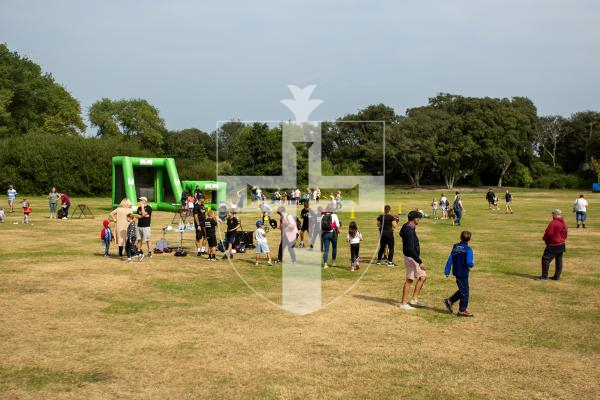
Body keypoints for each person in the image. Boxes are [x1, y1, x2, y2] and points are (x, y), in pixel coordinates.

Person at [443, 231, 475, 317]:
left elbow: (450, 259)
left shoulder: (455, 246)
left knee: (462, 290)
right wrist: (472, 264)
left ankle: (449, 301)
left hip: (456, 271)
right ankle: (462, 310)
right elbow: (469, 263)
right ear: (469, 239)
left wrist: (447, 270)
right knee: (465, 292)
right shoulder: (468, 249)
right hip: (463, 272)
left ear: (460, 237)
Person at [399, 211, 426, 310]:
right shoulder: (409, 231)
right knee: (410, 280)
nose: (419, 220)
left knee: (422, 277)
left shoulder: (408, 227)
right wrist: (420, 262)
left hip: (412, 257)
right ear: (414, 219)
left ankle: (414, 300)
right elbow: (410, 249)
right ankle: (404, 303)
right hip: (411, 258)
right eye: (418, 218)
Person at [537, 209, 568, 281]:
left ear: (556, 214)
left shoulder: (553, 223)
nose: (552, 216)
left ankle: (544, 276)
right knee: (559, 260)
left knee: (545, 259)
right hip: (561, 244)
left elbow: (548, 234)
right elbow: (565, 234)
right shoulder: (563, 223)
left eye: (553, 214)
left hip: (553, 245)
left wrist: (545, 239)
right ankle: (557, 276)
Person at [321, 203, 341, 268]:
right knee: (334, 247)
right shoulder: (334, 215)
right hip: (333, 233)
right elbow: (337, 225)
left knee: (326, 249)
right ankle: (333, 262)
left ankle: (325, 264)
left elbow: (320, 226)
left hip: (325, 234)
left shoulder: (323, 216)